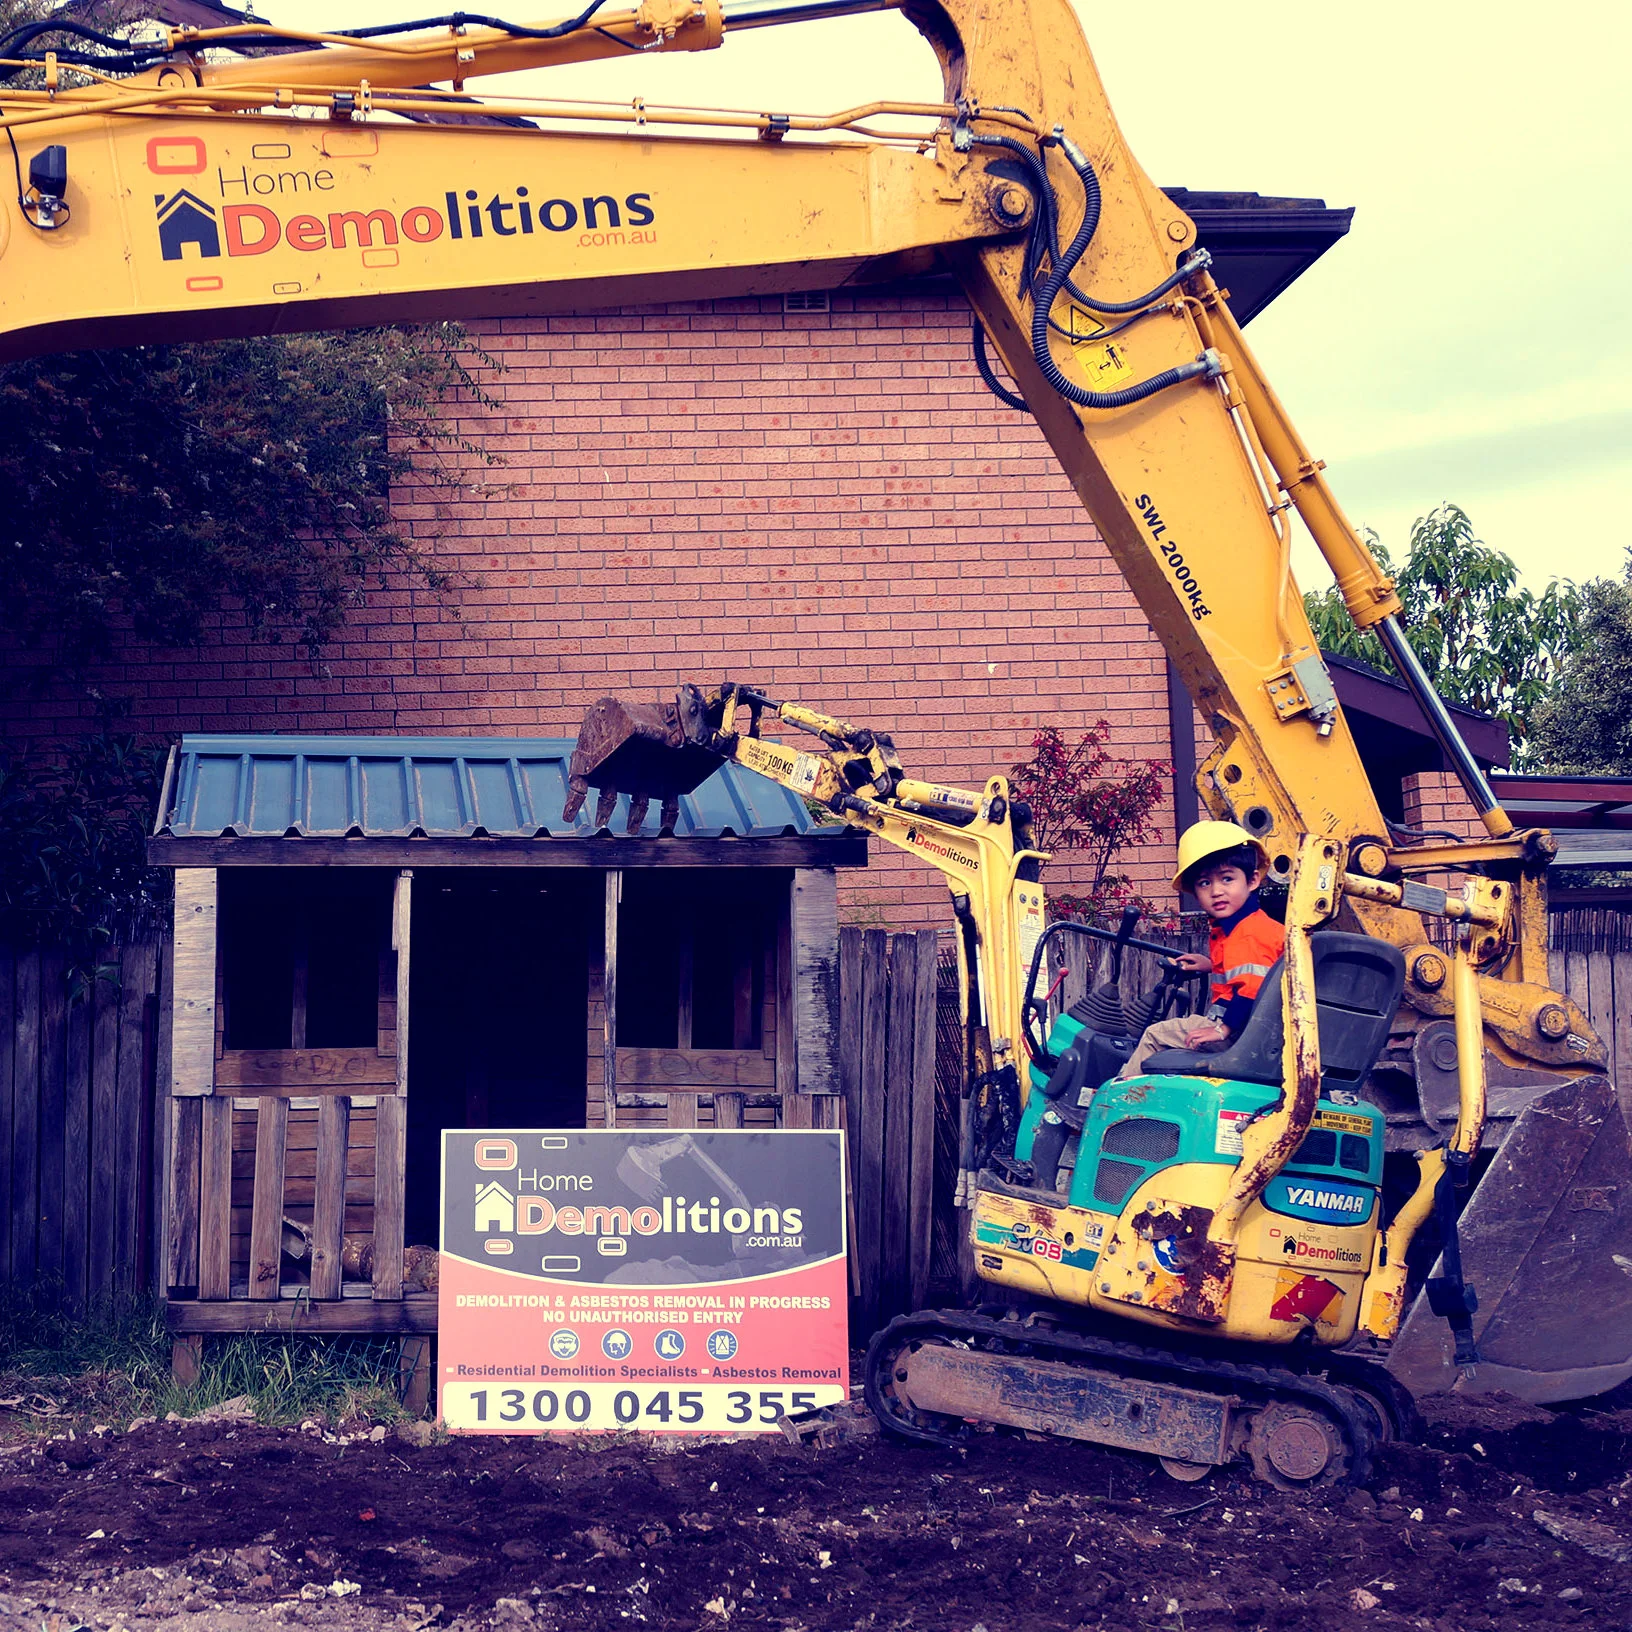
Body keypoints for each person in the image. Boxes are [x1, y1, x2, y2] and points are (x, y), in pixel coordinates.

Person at [1114, 820, 1286, 1080]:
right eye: (1205, 883)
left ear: (1252, 880)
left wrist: (1222, 1030)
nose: (1217, 891)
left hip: (1240, 1032)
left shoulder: (1248, 932)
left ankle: (1118, 1098)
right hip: (1255, 1033)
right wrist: (1210, 964)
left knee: (1154, 1035)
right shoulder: (1251, 928)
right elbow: (1257, 969)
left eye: (1227, 879)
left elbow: (1251, 990)